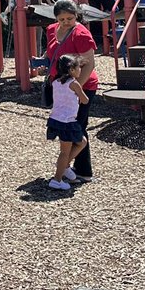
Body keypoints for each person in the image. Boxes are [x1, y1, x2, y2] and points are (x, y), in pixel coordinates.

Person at [44, 0, 99, 183]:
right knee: (66, 125)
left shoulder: (81, 33)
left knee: (77, 127)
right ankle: (68, 167)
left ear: (76, 16)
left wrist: (76, 88)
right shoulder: (52, 30)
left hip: (81, 86)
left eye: (70, 18)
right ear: (56, 19)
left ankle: (81, 169)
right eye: (62, 19)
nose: (66, 22)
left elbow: (89, 63)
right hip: (62, 87)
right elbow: (52, 52)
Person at [46, 55, 89, 191]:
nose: (80, 70)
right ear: (71, 70)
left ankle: (63, 166)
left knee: (81, 142)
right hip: (67, 121)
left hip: (56, 119)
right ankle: (57, 179)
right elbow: (85, 100)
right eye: (78, 68)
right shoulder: (74, 83)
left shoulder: (56, 82)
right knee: (65, 152)